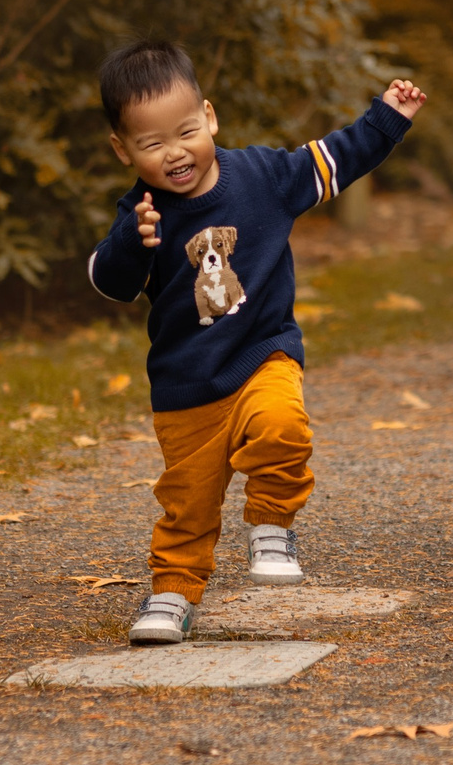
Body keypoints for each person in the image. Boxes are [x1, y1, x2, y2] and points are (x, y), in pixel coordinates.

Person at [87, 41, 427, 644]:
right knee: (187, 504)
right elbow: (107, 281)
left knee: (282, 426)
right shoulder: (143, 213)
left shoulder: (263, 176)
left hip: (262, 353)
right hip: (186, 385)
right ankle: (172, 592)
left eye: (186, 132)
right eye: (152, 143)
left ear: (209, 118)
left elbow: (334, 160)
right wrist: (132, 244)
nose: (175, 153)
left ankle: (272, 524)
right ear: (123, 150)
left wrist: (387, 119)